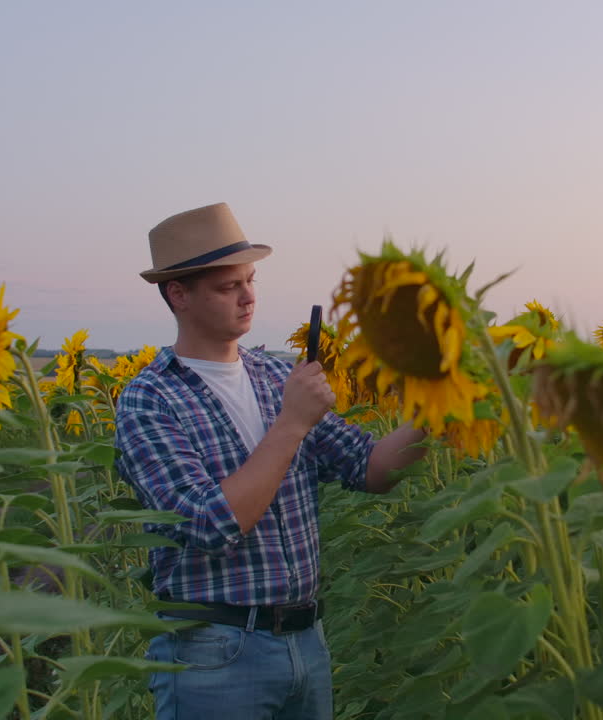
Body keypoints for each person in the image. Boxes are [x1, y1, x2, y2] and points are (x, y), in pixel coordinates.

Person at [114, 202, 427, 720]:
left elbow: (369, 468)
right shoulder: (150, 399)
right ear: (178, 294)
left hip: (305, 640)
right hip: (216, 652)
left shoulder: (272, 377)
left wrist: (442, 408)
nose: (247, 296)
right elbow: (209, 523)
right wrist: (291, 424)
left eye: (250, 280)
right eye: (226, 286)